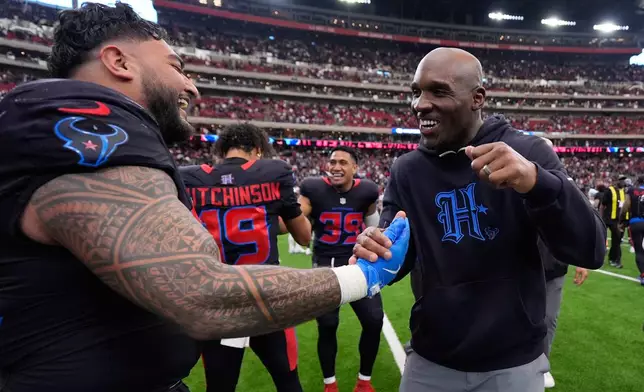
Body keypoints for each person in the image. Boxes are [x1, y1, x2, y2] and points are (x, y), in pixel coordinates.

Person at [0, 4, 410, 391]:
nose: (191, 86)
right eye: (176, 67)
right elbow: (198, 292)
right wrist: (367, 277)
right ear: (119, 61)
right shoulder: (80, 128)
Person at [350, 47, 606, 392]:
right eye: (416, 92)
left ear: (477, 98)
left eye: (438, 91)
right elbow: (398, 252)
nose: (419, 104)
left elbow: (591, 249)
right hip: (431, 359)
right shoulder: (407, 170)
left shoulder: (528, 153)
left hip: (514, 362)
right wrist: (376, 245)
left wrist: (537, 182)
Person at [180, 124, 313, 392]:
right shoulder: (274, 172)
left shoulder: (188, 178)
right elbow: (303, 237)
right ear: (258, 150)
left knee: (219, 388)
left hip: (220, 302)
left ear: (222, 151)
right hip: (266, 299)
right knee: (288, 383)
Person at [299, 147, 382, 392]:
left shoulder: (367, 190)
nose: (336, 166)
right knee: (327, 324)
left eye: (343, 162)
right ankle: (330, 384)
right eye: (332, 162)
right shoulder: (312, 188)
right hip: (326, 267)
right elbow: (300, 215)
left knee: (374, 320)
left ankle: (364, 381)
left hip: (357, 265)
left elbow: (371, 224)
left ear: (354, 168)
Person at [622, 175, 644, 285]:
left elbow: (626, 205)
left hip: (636, 222)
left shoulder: (632, 190)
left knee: (639, 250)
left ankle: (643, 275)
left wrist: (621, 219)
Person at [602, 176, 627, 268]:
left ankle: (614, 259)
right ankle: (598, 258)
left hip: (616, 220)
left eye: (623, 180)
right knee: (601, 239)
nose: (623, 182)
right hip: (607, 218)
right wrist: (601, 218)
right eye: (621, 180)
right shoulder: (610, 190)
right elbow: (603, 204)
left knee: (617, 240)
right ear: (616, 181)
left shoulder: (624, 192)